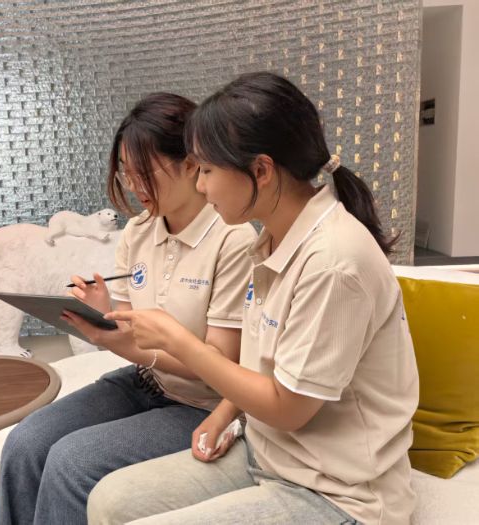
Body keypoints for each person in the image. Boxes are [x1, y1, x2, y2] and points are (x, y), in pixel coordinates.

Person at [91, 72, 420, 525]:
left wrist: (175, 340)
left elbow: (288, 408)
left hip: (338, 494)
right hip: (268, 456)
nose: (201, 187)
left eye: (207, 171)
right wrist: (225, 414)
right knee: (110, 501)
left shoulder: (333, 263)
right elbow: (264, 366)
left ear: (261, 171)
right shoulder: (271, 243)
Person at [0, 92, 257, 525]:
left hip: (201, 404)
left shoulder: (233, 239)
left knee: (72, 462)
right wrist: (103, 311)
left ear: (192, 164)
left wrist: (126, 346)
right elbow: (131, 325)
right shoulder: (138, 231)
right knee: (26, 443)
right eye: (126, 173)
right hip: (144, 382)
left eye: (143, 173)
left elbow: (220, 365)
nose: (133, 186)